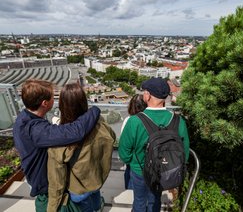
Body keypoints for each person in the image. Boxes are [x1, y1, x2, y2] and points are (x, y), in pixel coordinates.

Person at [13, 79, 100, 210]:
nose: (55, 100)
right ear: (45, 103)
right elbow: (75, 131)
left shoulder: (23, 118)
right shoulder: (36, 130)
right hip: (44, 183)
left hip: (34, 176)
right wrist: (94, 110)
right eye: (53, 97)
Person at [118, 77, 190, 212]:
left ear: (148, 95)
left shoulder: (134, 121)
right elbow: (184, 151)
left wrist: (133, 163)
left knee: (139, 200)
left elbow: (124, 153)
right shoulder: (178, 121)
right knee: (155, 200)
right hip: (165, 170)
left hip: (140, 170)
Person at [47, 83, 116, 212]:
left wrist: (52, 208)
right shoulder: (99, 123)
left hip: (78, 188)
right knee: (95, 197)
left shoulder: (59, 138)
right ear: (84, 102)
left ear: (62, 105)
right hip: (97, 178)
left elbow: (56, 181)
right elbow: (111, 137)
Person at [120, 94, 147, 189]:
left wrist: (128, 160)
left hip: (134, 164)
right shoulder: (150, 119)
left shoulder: (129, 120)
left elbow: (124, 145)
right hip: (149, 162)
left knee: (134, 193)